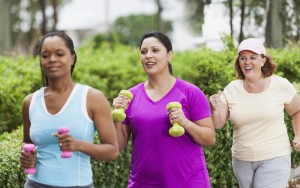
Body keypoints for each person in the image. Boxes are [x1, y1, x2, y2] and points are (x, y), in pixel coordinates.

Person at [112, 30, 216, 188]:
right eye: (143, 51)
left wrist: (185, 123)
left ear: (169, 55)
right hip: (143, 184)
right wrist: (117, 117)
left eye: (155, 50)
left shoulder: (190, 93)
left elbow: (209, 138)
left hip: (188, 183)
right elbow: (119, 145)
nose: (148, 56)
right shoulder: (131, 96)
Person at [20, 31, 119, 188]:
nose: (52, 59)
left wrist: (78, 145)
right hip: (34, 184)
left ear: (72, 58)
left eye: (59, 54)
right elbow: (27, 144)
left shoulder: (92, 98)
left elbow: (112, 151)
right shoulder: (30, 102)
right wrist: (26, 157)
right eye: (45, 56)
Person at [209, 38, 300, 188]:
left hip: (275, 156)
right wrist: (214, 107)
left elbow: (297, 110)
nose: (247, 62)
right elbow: (218, 123)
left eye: (253, 57)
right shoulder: (232, 89)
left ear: (263, 60)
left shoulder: (280, 84)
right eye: (243, 58)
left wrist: (298, 134)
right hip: (242, 161)